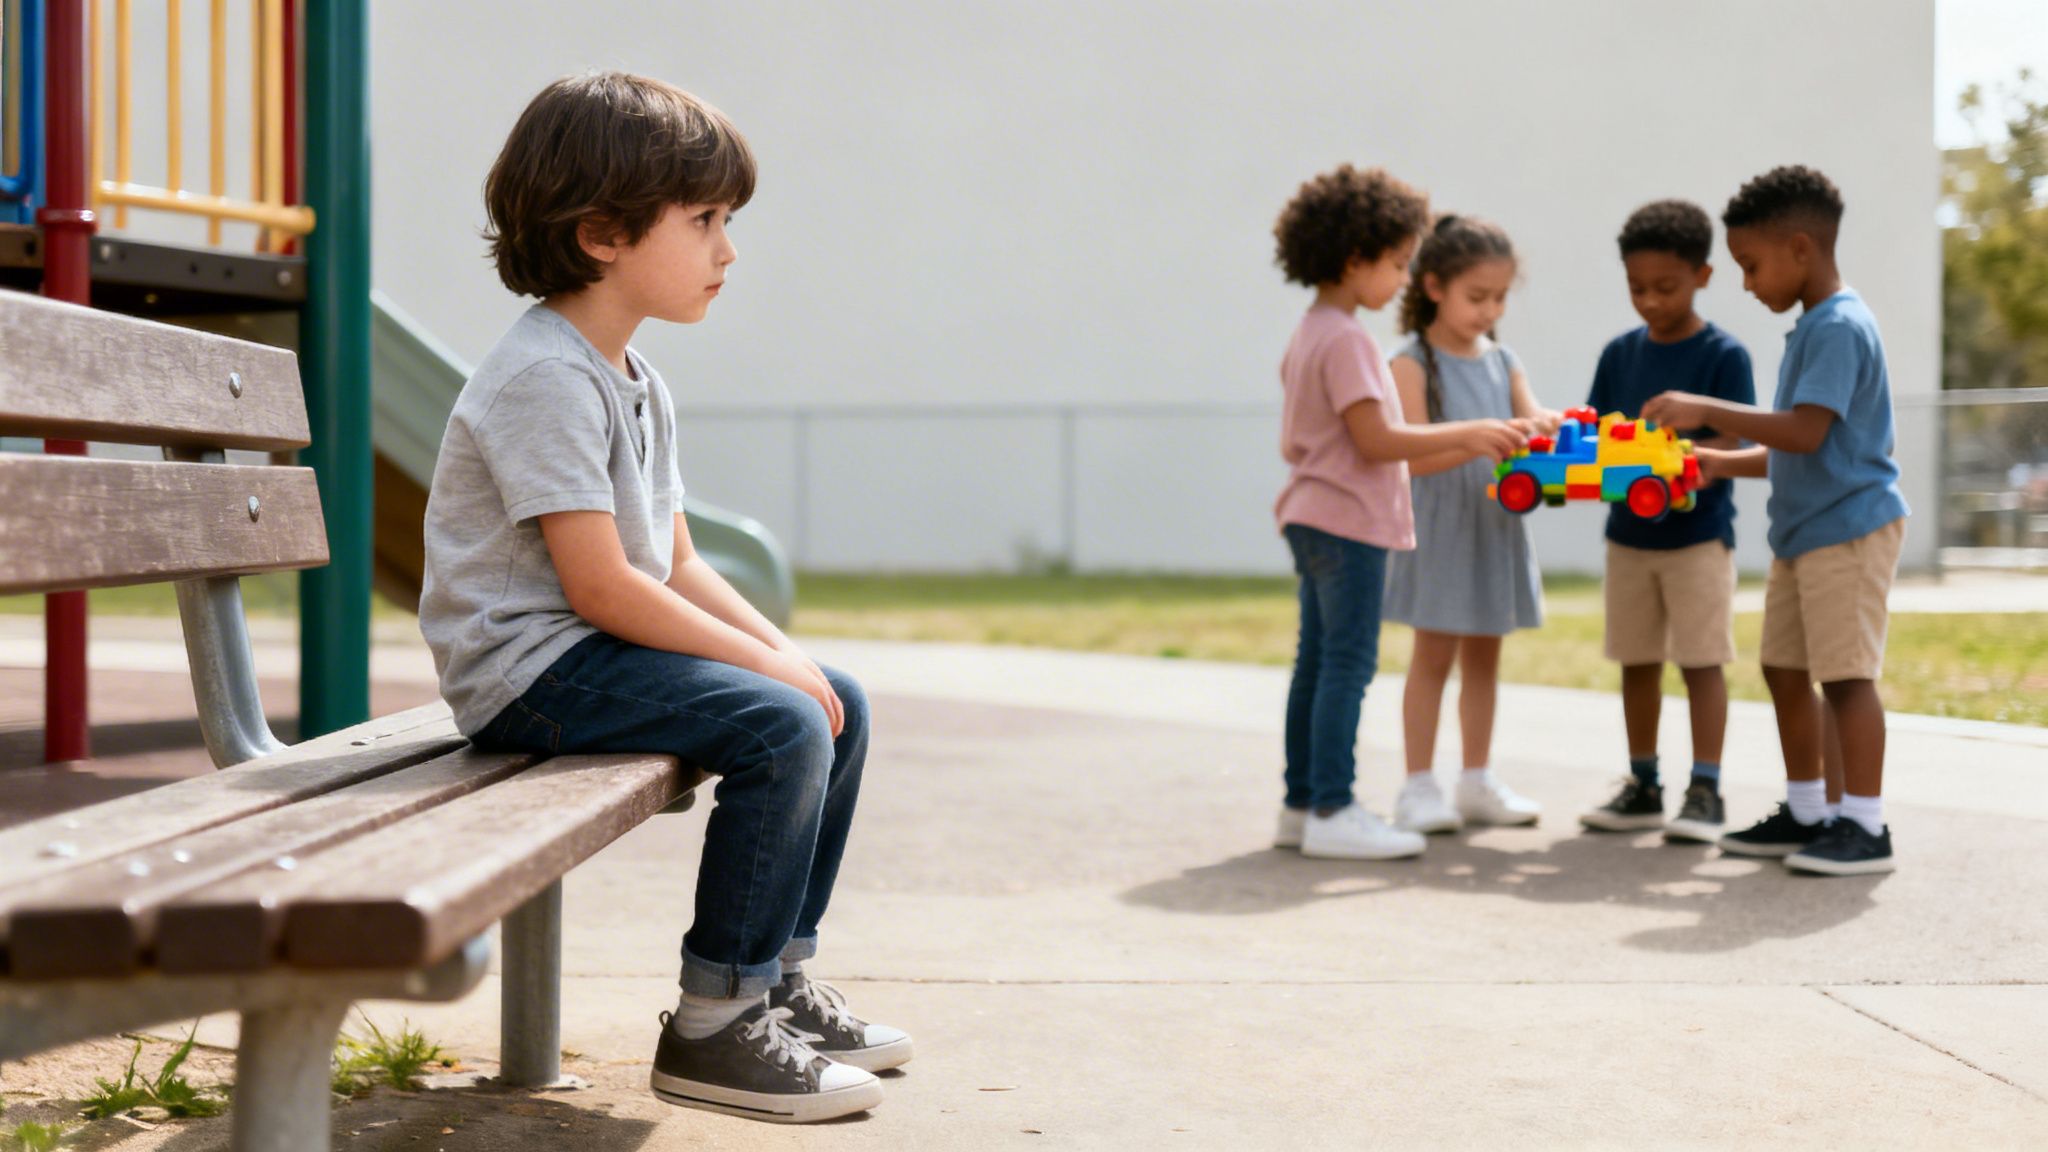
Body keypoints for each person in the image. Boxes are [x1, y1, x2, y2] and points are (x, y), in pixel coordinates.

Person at [417, 73, 908, 1123]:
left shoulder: (629, 373)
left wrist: (784, 651)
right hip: (526, 675)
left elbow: (676, 561)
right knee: (780, 723)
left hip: (581, 658)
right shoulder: (543, 378)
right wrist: (772, 677)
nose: (727, 249)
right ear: (602, 233)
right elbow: (601, 586)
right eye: (704, 220)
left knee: (834, 699)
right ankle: (712, 1026)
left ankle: (770, 976)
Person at [1644, 165, 1910, 876]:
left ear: (1800, 248)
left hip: (1849, 530)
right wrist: (1716, 462)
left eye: (1750, 265)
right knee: (1784, 668)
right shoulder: (1813, 328)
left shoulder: (1840, 326)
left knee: (1846, 677)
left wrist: (1708, 409)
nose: (1746, 282)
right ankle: (1808, 809)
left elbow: (1804, 433)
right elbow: (1795, 446)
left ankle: (1864, 825)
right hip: (1806, 533)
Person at [1270, 168, 1526, 861]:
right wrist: (1470, 432)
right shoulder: (1350, 340)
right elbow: (1378, 442)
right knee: (1346, 667)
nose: (1401, 279)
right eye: (1396, 264)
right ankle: (1332, 807)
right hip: (1346, 521)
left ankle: (1302, 806)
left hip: (1312, 516)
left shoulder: (1311, 330)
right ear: (1356, 260)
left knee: (1317, 664)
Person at [1577, 200, 1755, 843]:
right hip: (1628, 539)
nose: (1649, 301)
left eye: (1665, 287)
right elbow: (1595, 440)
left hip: (1698, 539)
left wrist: (1687, 459)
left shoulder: (1723, 357)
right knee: (1636, 660)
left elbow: (1738, 449)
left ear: (1703, 276)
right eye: (1636, 288)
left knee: (1702, 661)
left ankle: (1705, 790)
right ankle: (1643, 783)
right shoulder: (1618, 355)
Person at [1383, 214, 1557, 837]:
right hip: (1440, 526)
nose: (1490, 310)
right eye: (1476, 296)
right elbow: (1410, 453)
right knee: (1432, 656)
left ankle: (1477, 779)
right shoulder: (1410, 364)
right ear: (1434, 286)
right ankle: (1418, 785)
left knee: (1486, 656)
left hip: (1495, 524)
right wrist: (1476, 443)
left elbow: (1530, 418)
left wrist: (1550, 428)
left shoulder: (1504, 359)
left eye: (1500, 297)